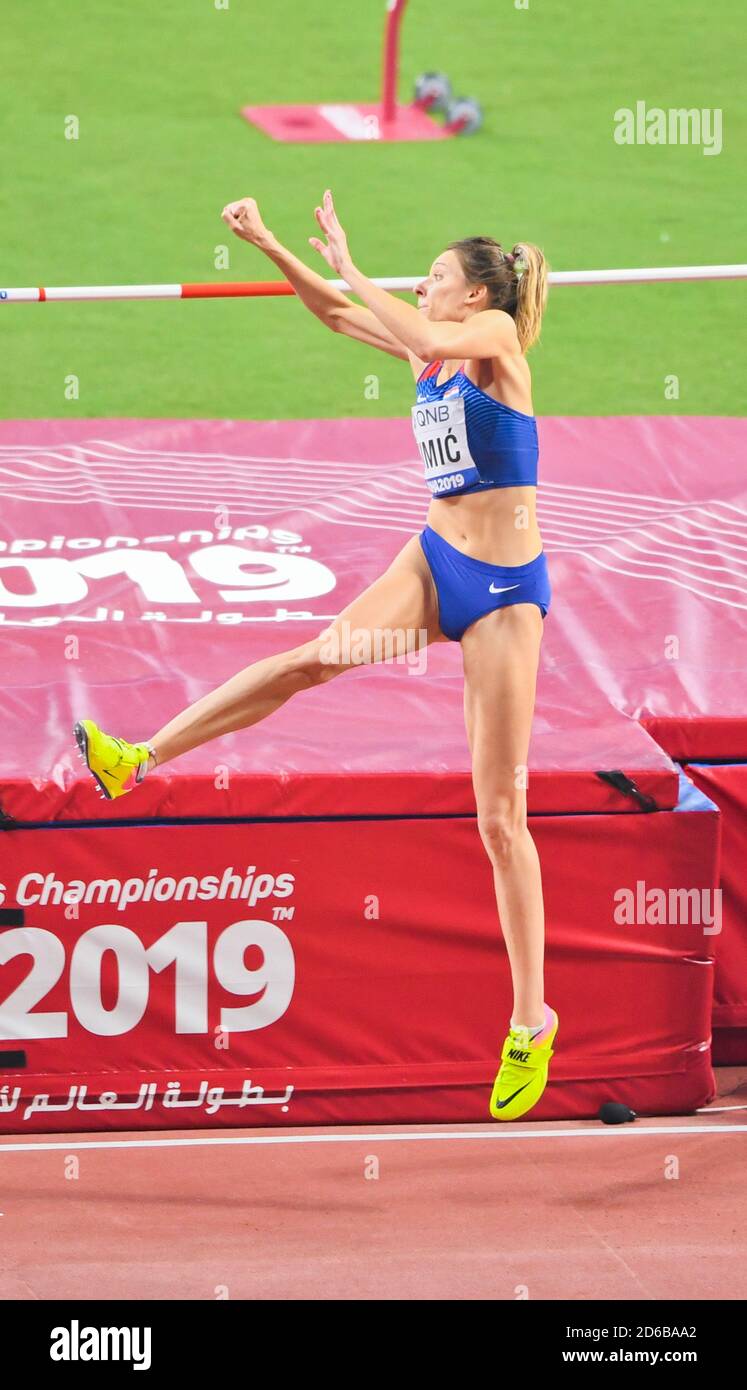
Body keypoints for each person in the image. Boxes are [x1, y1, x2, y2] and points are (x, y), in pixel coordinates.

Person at [74, 189, 558, 1120]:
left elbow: (387, 309)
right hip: (436, 560)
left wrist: (352, 264)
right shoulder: (431, 344)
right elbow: (339, 315)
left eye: (436, 277)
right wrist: (274, 248)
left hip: (501, 598)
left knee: (500, 816)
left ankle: (530, 1022)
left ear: (471, 295)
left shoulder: (493, 338)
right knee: (311, 661)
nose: (426, 284)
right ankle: (136, 760)